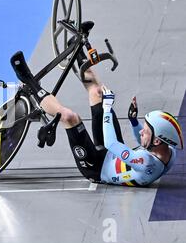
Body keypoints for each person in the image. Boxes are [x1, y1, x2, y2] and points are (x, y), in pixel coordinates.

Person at [31, 52, 183, 187]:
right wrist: (134, 121)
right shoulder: (168, 151)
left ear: (157, 140)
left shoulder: (146, 162)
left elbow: (111, 144)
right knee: (98, 92)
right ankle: (79, 54)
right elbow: (143, 142)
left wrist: (108, 108)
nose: (141, 132)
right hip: (115, 154)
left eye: (146, 131)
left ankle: (29, 84)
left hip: (96, 167)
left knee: (69, 117)